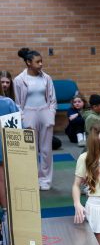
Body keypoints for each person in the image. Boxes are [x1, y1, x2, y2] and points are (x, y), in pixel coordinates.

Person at [13, 47, 57, 190]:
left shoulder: (47, 78)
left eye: (41, 61)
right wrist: (23, 117)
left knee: (46, 149)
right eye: (38, 62)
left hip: (45, 113)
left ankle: (45, 180)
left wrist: (51, 114)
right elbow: (18, 103)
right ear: (28, 63)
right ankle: (32, 179)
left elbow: (52, 99)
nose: (41, 64)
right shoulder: (19, 80)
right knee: (31, 149)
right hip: (28, 114)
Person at [0, 92, 18, 208]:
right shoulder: (8, 102)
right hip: (7, 149)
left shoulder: (8, 102)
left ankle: (6, 211)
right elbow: (18, 128)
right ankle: (7, 212)